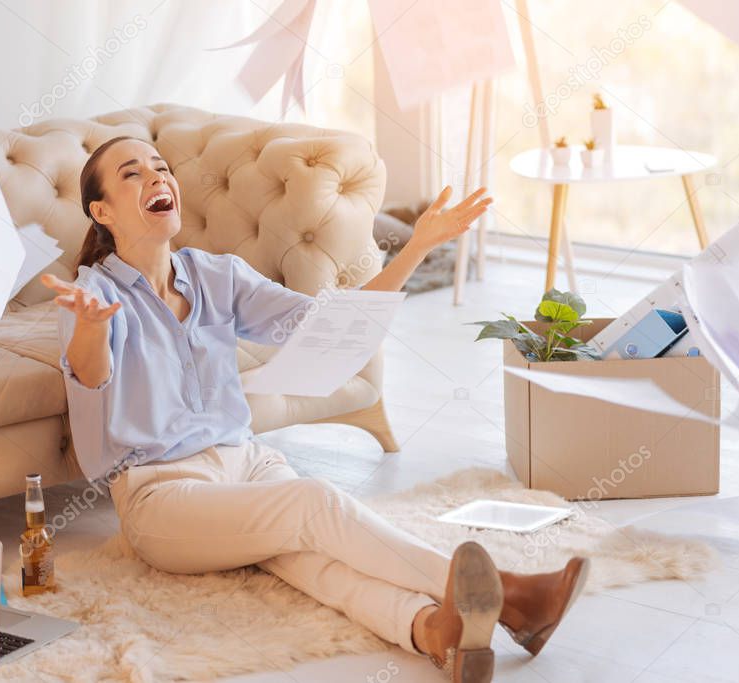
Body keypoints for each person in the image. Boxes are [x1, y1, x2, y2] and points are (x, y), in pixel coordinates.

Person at [42, 136, 588, 683]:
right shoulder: (91, 295)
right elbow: (91, 376)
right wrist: (91, 328)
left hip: (246, 461)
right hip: (161, 495)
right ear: (103, 211)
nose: (158, 177)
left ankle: (432, 632)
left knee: (310, 556)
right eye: (133, 174)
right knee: (313, 503)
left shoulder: (215, 274)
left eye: (162, 167)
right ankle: (512, 595)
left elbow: (331, 325)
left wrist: (417, 246)